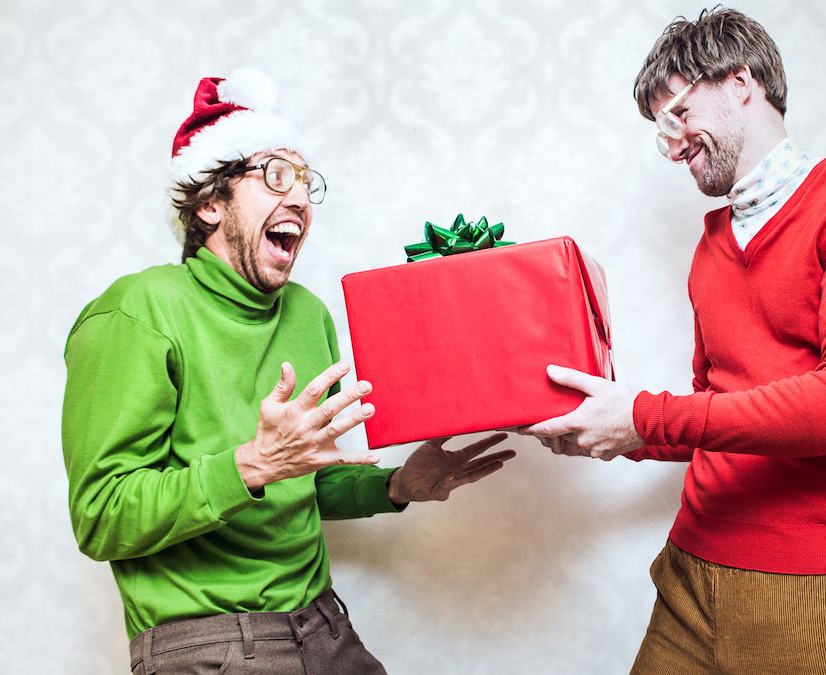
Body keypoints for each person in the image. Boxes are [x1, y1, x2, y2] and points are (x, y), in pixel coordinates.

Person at [61, 69, 515, 675]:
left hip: (324, 624)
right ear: (210, 202)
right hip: (208, 643)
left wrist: (395, 486)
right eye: (276, 174)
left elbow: (303, 481)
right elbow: (101, 516)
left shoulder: (307, 313)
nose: (299, 197)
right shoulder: (137, 312)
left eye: (305, 181)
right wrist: (252, 463)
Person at [522, 8, 826, 674]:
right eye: (661, 130)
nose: (674, 144)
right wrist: (605, 431)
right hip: (688, 575)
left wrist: (642, 416)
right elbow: (717, 410)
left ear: (742, 82)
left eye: (678, 114)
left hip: (809, 596)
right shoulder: (711, 247)